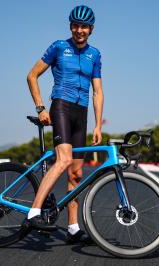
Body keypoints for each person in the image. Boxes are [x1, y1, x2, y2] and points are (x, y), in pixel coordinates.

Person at [26, 5, 104, 244]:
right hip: (61, 105)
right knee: (64, 160)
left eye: (84, 26)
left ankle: (72, 228)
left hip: (81, 113)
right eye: (75, 25)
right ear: (71, 27)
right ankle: (34, 213)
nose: (79, 30)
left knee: (77, 173)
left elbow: (98, 91)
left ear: (91, 29)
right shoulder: (59, 47)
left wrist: (98, 126)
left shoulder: (95, 54)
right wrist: (40, 108)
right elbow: (32, 75)